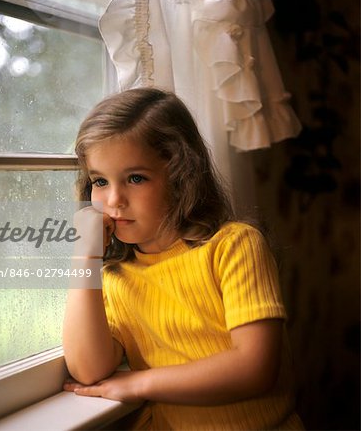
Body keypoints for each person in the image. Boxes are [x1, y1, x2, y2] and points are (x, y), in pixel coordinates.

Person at [62, 88, 304, 430]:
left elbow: (255, 369)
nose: (114, 200)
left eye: (135, 178)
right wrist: (83, 257)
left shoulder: (234, 246)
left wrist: (138, 383)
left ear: (180, 175)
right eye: (100, 181)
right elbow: (87, 370)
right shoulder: (116, 277)